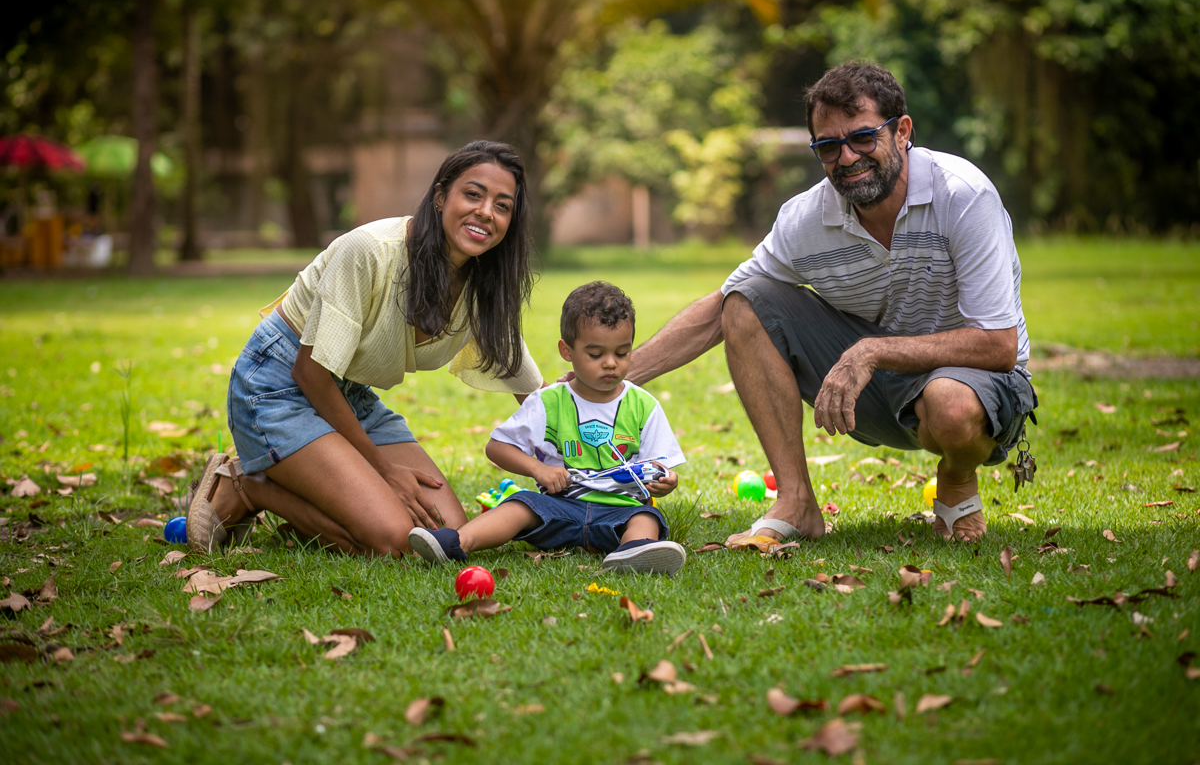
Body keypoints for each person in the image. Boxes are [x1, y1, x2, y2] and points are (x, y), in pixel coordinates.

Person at [626, 61, 1036, 545]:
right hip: (875, 392)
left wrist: (870, 352)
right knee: (743, 301)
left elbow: (998, 345)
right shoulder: (806, 219)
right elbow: (719, 309)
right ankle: (797, 501)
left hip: (972, 387)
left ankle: (958, 476)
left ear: (902, 131)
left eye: (863, 137)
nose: (846, 157)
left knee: (948, 404)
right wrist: (608, 379)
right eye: (827, 146)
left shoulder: (963, 194)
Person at [185, 141, 544, 557]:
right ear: (441, 195)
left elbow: (532, 394)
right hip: (278, 387)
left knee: (446, 531)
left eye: (503, 205)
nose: (486, 212)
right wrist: (385, 471)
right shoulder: (371, 251)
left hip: (347, 394)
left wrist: (582, 463)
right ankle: (249, 488)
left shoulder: (485, 283)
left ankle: (316, 493)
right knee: (394, 539)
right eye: (473, 194)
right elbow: (310, 373)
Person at [408, 282, 688, 575]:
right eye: (595, 354)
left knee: (647, 516)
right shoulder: (548, 401)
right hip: (558, 510)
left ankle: (633, 551)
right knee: (520, 503)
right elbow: (497, 447)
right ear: (566, 351)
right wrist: (537, 470)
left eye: (622, 353)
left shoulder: (643, 405)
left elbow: (658, 465)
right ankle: (456, 543)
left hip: (619, 512)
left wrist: (668, 480)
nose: (610, 364)